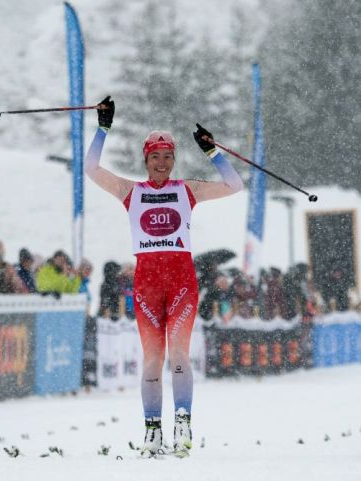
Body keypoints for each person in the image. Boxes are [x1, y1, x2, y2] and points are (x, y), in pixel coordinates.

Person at [84, 95, 243, 456]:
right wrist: (103, 128)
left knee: (179, 357)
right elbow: (92, 169)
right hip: (147, 284)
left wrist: (213, 152)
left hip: (182, 281)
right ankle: (152, 431)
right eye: (155, 156)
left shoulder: (187, 190)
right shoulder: (131, 192)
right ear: (145, 159)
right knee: (153, 359)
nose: (161, 163)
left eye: (167, 156)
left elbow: (235, 186)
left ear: (174, 159)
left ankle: (183, 422)